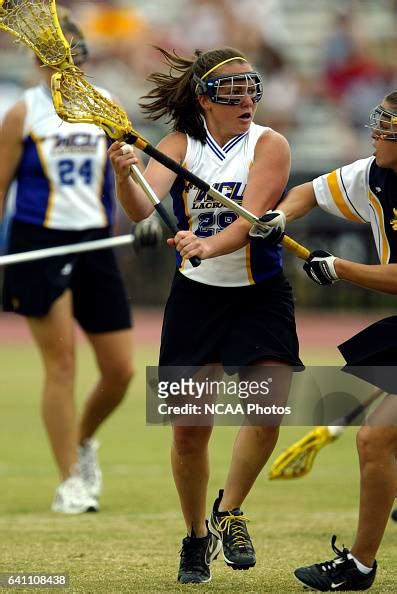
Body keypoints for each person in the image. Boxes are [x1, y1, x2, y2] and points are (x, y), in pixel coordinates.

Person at [108, 46, 302, 584]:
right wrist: (126, 175)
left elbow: (253, 217)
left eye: (250, 88)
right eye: (231, 90)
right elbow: (142, 210)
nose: (245, 98)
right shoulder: (178, 145)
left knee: (268, 409)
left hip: (259, 293)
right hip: (196, 300)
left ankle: (229, 511)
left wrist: (207, 244)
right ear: (205, 99)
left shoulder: (271, 144)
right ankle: (195, 537)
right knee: (189, 432)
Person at [0, 8, 159, 514]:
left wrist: (147, 211)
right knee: (62, 363)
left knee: (120, 371)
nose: (68, 68)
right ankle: (70, 479)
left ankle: (83, 441)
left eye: (76, 58)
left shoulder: (105, 104)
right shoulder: (22, 111)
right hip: (38, 243)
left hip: (93, 241)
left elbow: (126, 171)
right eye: (57, 60)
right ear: (41, 62)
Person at [262, 91, 397, 591]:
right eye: (378, 123)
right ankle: (360, 567)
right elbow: (313, 191)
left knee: (377, 439)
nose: (376, 133)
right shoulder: (373, 174)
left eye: (388, 128)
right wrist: (281, 216)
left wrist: (339, 268)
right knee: (377, 440)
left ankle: (360, 566)